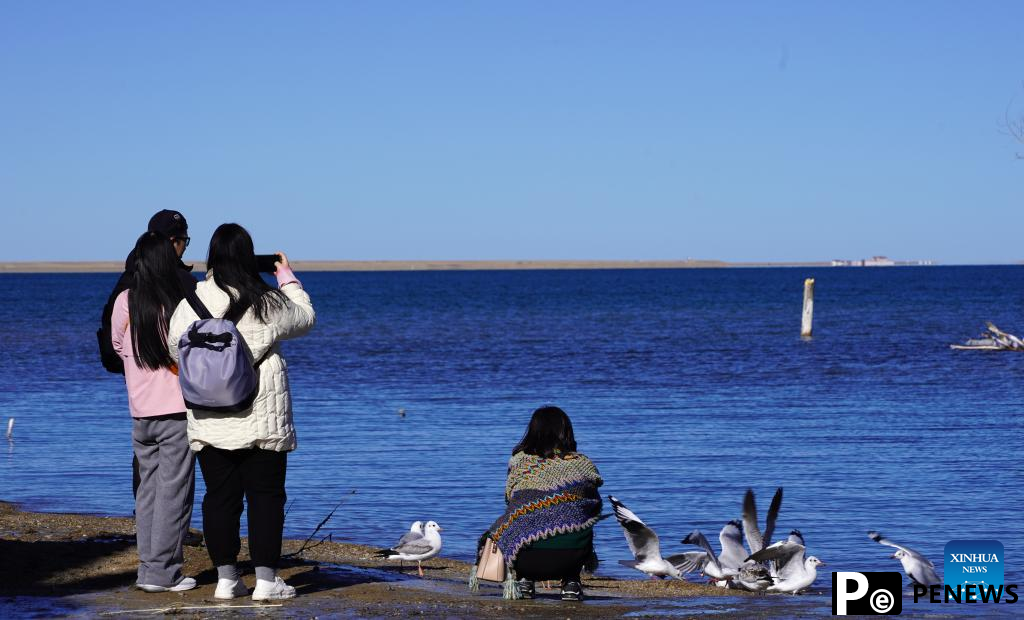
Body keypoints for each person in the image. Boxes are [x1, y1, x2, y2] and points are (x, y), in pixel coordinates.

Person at [167, 223, 315, 601]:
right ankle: (266, 582)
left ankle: (227, 580)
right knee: (265, 497)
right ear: (250, 258)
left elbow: (174, 349)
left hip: (209, 416)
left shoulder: (191, 304)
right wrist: (287, 277)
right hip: (261, 417)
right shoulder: (265, 299)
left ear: (211, 258)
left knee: (219, 498)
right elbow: (305, 318)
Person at [110, 232, 197, 593]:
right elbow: (188, 347)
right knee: (173, 493)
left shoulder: (124, 300)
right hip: (175, 410)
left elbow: (117, 345)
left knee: (148, 490)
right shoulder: (175, 302)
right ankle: (163, 572)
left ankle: (149, 569)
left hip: (140, 410)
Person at [98, 209, 197, 497]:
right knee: (175, 468)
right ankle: (167, 531)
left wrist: (130, 365)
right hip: (174, 387)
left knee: (147, 458)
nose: (183, 248)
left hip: (139, 387)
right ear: (171, 242)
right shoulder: (177, 282)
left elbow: (113, 335)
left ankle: (147, 525)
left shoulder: (128, 280)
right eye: (183, 241)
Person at [481, 406, 603, 601]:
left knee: (518, 519)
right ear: (567, 431)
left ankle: (525, 579)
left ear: (532, 430)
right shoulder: (583, 464)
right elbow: (595, 506)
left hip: (526, 558)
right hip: (572, 556)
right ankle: (571, 581)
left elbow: (510, 500)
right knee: (581, 518)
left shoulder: (520, 462)